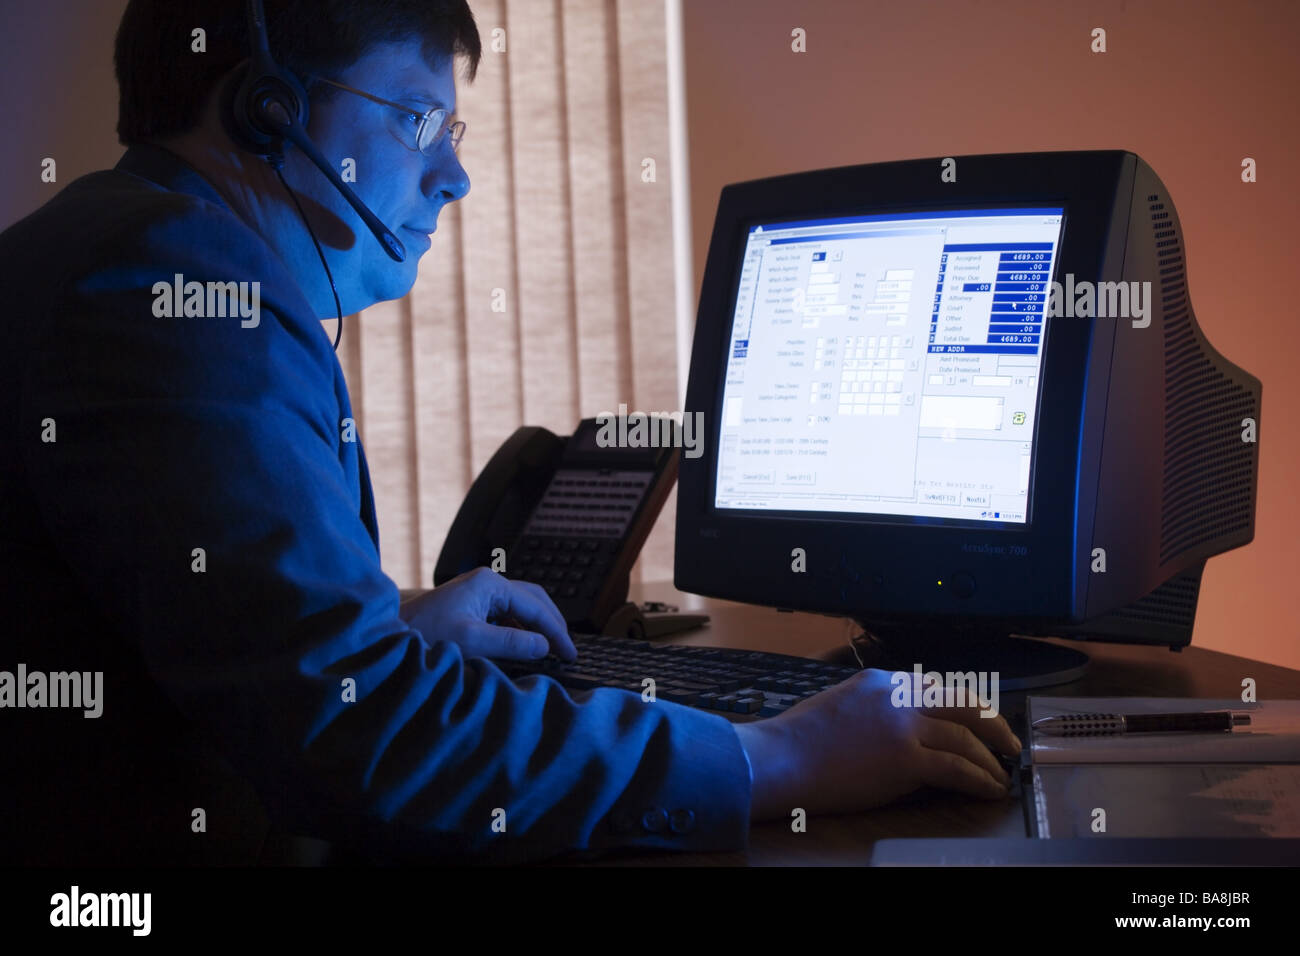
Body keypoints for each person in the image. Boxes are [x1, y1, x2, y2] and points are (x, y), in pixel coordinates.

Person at [0, 0, 1020, 866]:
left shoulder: (117, 248)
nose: (455, 176)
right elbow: (368, 738)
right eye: (415, 118)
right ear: (266, 110)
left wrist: (382, 626)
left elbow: (166, 624)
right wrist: (777, 759)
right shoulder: (177, 291)